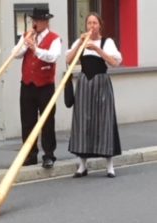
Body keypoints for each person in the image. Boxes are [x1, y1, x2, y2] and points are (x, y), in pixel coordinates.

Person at [66, 12, 122, 178]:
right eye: (89, 23)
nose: (91, 26)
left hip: (101, 83)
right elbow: (68, 59)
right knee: (83, 121)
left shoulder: (107, 42)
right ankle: (82, 165)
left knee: (104, 121)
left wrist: (97, 48)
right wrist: (80, 45)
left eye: (95, 23)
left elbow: (114, 62)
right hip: (84, 84)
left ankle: (110, 166)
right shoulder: (81, 41)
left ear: (100, 25)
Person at [12, 7, 61, 169]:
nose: (35, 23)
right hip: (27, 84)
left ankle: (49, 155)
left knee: (47, 121)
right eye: (34, 20)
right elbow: (15, 54)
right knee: (27, 121)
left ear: (46, 22)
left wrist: (35, 49)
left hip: (45, 85)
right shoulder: (27, 36)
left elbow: (52, 56)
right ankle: (30, 154)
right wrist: (26, 44)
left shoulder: (55, 39)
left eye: (38, 21)